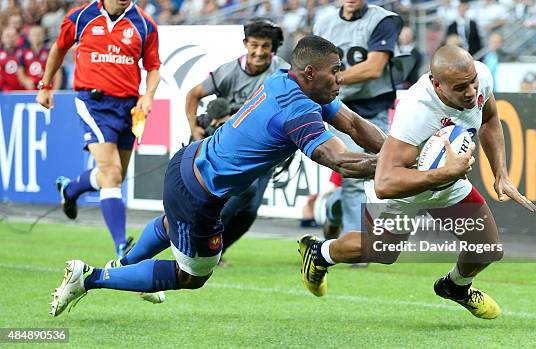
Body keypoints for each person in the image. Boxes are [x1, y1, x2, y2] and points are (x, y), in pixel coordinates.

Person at [49, 35, 387, 317]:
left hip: (188, 162)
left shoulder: (289, 80)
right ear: (311, 72)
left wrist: (398, 153)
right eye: (336, 71)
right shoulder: (298, 110)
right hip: (199, 195)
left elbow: (355, 125)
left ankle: (122, 264)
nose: (341, 78)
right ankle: (90, 278)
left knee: (172, 226)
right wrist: (394, 169)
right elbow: (341, 161)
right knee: (191, 277)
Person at [297, 45, 536, 320]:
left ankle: (455, 287)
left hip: (447, 180)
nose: (471, 92)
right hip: (403, 191)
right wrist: (444, 174)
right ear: (437, 84)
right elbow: (384, 182)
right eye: (461, 88)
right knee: (383, 251)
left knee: (487, 247)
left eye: (472, 82)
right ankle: (321, 253)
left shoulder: (481, 76)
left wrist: (501, 172)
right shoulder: (416, 113)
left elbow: (490, 118)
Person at [36, 0, 161, 259]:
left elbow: (153, 68)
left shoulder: (145, 25)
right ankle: (122, 246)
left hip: (128, 107)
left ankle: (70, 189)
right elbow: (59, 49)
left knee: (115, 175)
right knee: (111, 173)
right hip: (93, 103)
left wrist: (148, 96)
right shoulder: (80, 17)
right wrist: (46, 86)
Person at [185, 18, 289, 262]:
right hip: (229, 148)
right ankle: (201, 237)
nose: (259, 52)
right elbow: (193, 95)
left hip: (266, 150)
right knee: (246, 190)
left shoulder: (283, 73)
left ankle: (214, 252)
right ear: (246, 44)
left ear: (273, 49)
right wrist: (195, 129)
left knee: (250, 211)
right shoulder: (228, 71)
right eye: (254, 45)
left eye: (265, 46)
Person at [314, 0, 402, 242]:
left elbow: (374, 68)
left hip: (375, 106)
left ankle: (334, 208)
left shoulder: (383, 20)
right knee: (354, 175)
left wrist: (332, 79)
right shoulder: (324, 22)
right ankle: (356, 241)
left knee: (382, 171)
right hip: (339, 108)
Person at [20, 25, 62, 90]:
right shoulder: (24, 53)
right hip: (30, 90)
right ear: (29, 37)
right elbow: (20, 72)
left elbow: (57, 72)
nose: (36, 37)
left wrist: (55, 90)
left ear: (44, 36)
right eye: (34, 35)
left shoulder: (50, 52)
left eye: (39, 34)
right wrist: (26, 81)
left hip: (46, 88)